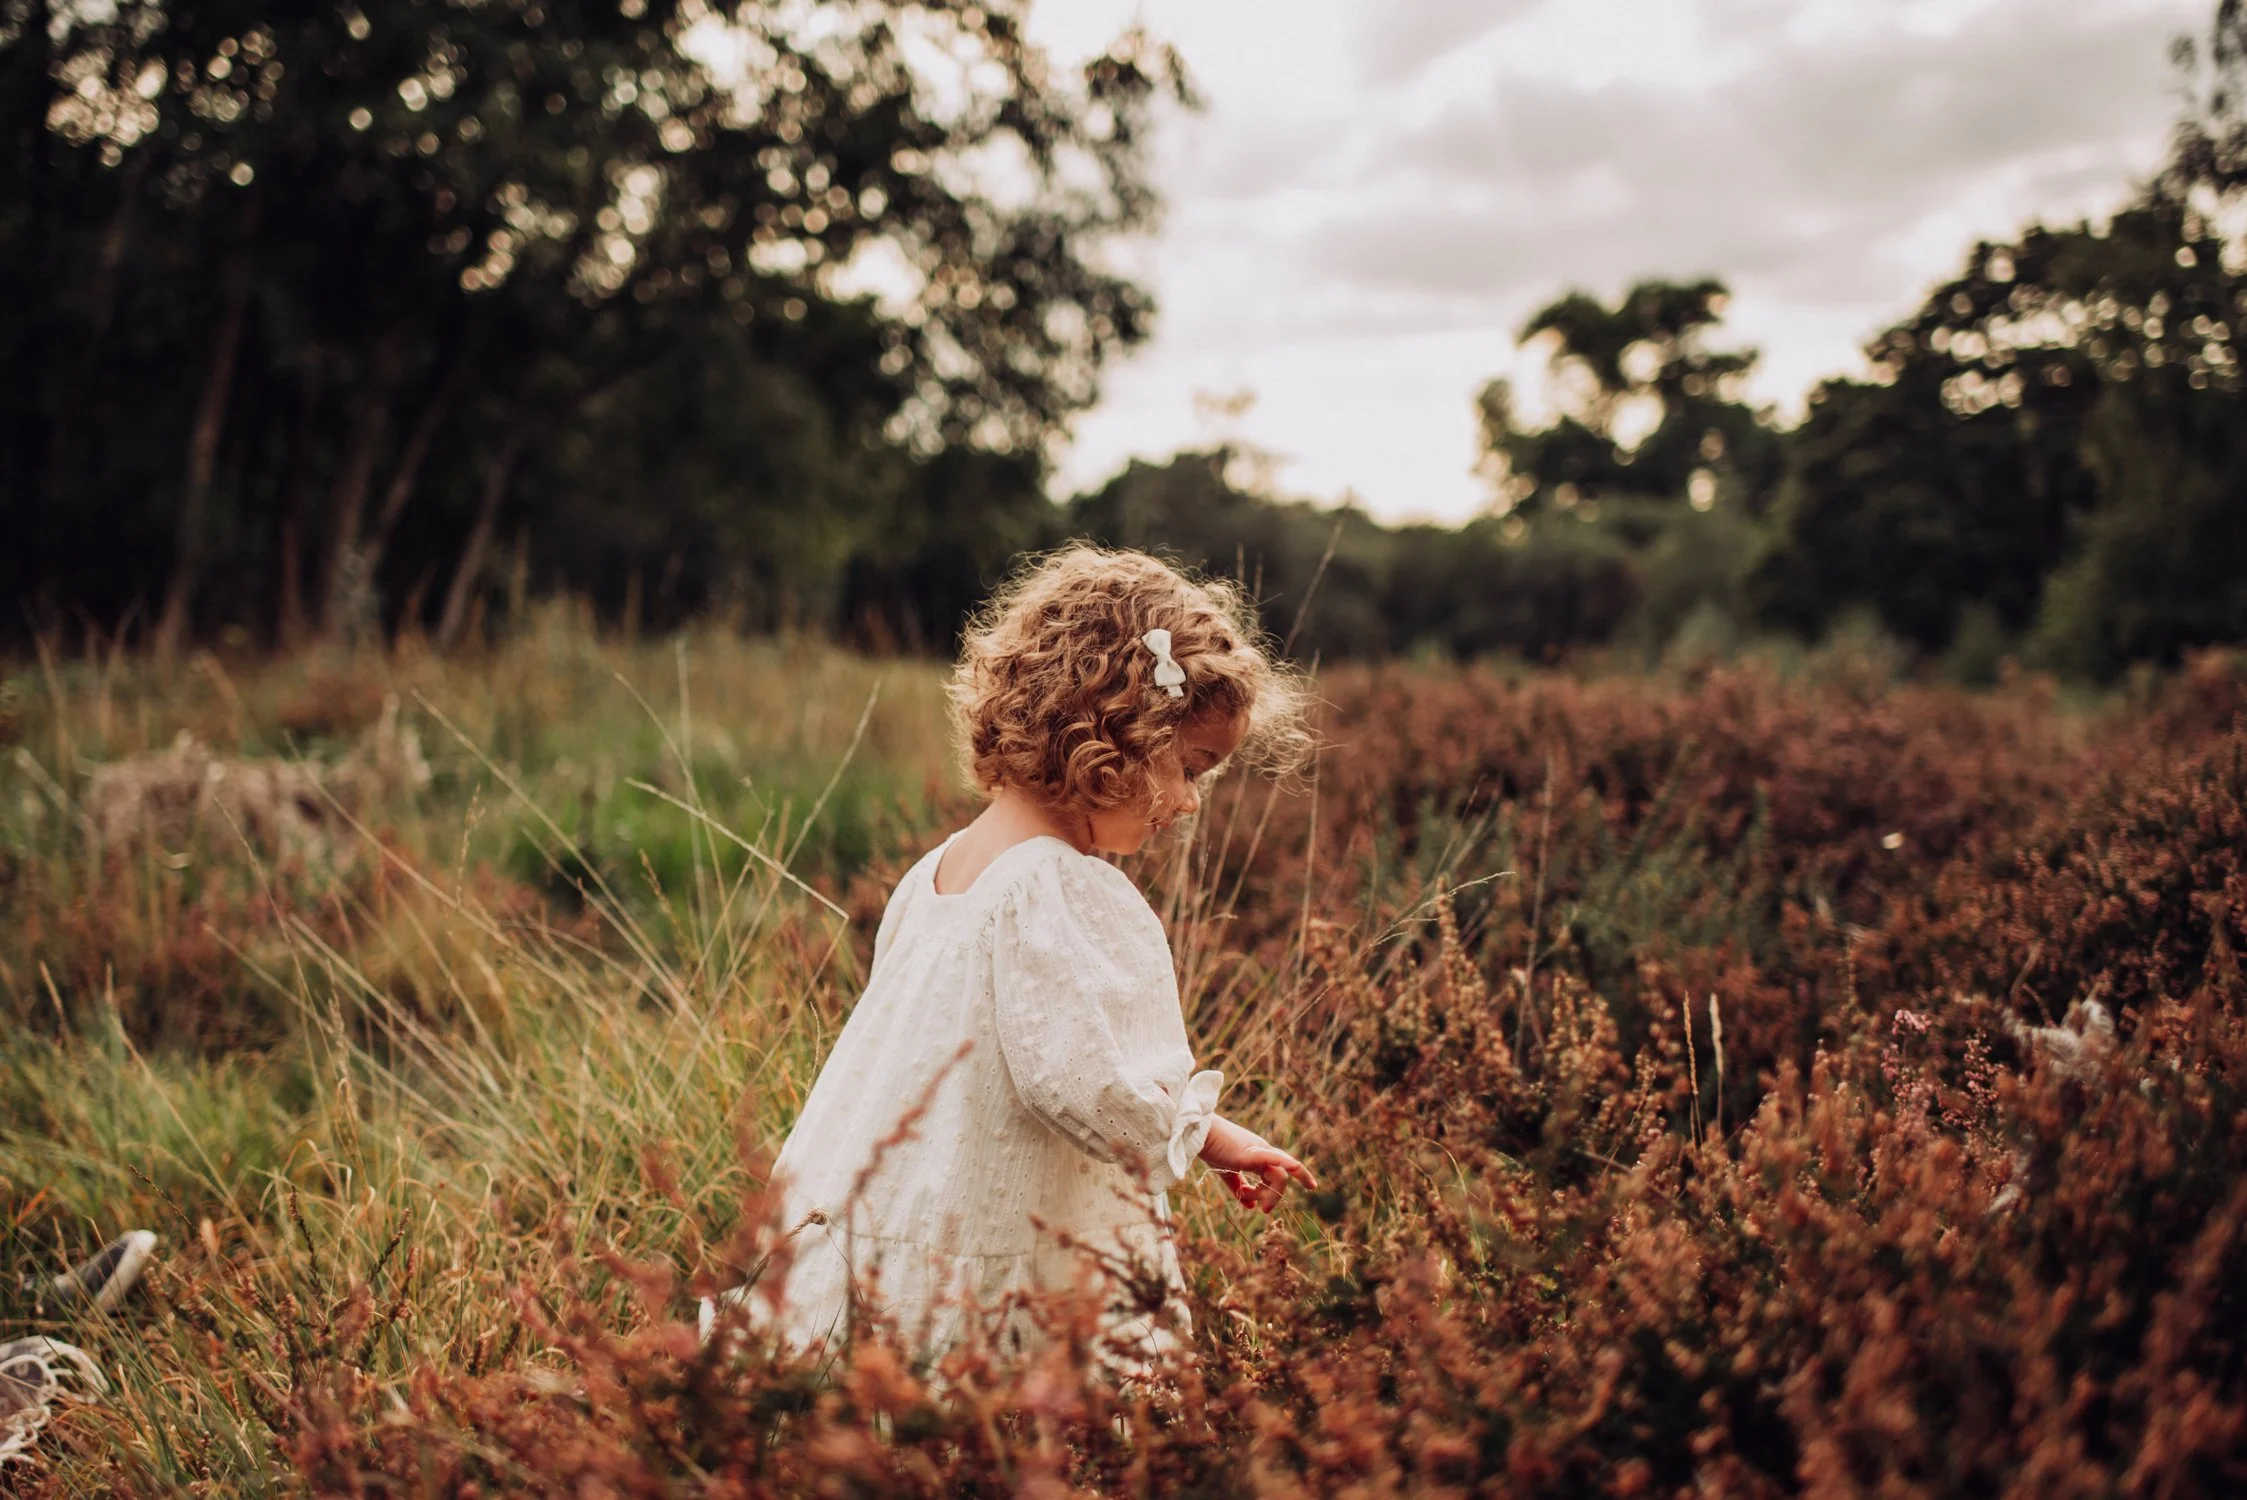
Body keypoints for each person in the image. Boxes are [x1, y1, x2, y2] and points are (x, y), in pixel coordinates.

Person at [704, 545, 1317, 1371]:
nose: (1188, 803)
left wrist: (1213, 1134)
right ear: (1115, 734)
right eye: (1191, 768)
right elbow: (1100, 1094)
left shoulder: (939, 872)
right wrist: (1196, 1135)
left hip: (905, 1202)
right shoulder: (1063, 889)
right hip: (996, 1232)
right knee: (1012, 1416)